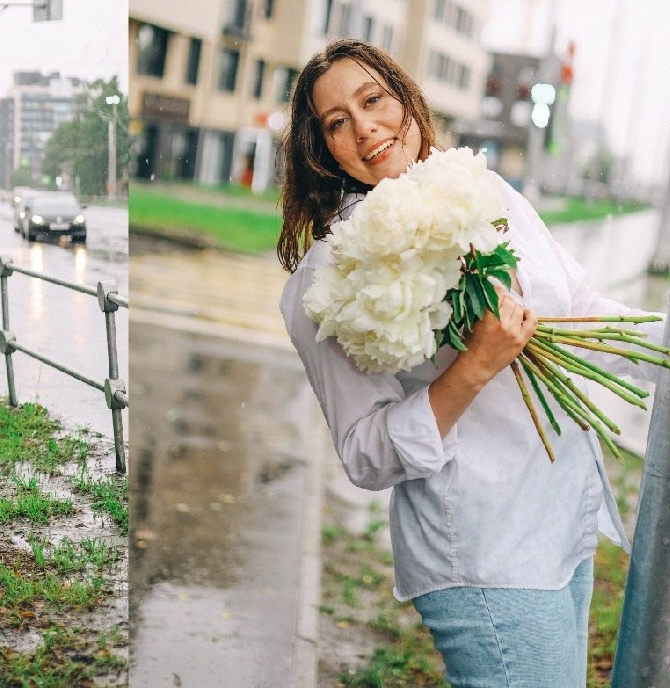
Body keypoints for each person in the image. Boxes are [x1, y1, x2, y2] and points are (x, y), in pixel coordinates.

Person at [276, 39, 646, 684]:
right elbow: (366, 453)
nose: (365, 127)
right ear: (320, 148)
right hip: (485, 547)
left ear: (406, 100)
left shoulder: (486, 189)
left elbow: (580, 308)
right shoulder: (329, 276)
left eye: (373, 100)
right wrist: (474, 366)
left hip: (565, 519)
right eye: (337, 122)